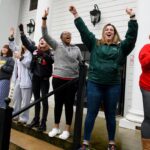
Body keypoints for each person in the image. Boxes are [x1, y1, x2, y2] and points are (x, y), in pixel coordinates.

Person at [69, 6, 138, 150]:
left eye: (111, 30)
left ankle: (111, 143)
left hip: (113, 85)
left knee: (110, 115)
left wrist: (132, 19)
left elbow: (131, 38)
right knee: (91, 114)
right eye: (107, 29)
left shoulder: (121, 47)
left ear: (114, 34)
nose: (109, 31)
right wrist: (76, 14)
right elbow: (84, 31)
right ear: (103, 32)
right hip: (95, 83)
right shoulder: (95, 44)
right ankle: (85, 142)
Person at [41, 8, 83, 140]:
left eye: (69, 34)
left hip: (72, 80)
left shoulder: (76, 48)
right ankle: (56, 127)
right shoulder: (57, 46)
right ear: (61, 37)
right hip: (58, 79)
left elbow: (81, 63)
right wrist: (44, 18)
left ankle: (67, 130)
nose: (68, 35)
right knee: (58, 103)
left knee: (69, 104)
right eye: (65, 34)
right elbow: (45, 34)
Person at [18, 24, 54, 132]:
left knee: (44, 101)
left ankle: (43, 123)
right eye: (40, 40)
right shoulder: (34, 50)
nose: (42, 40)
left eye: (44, 39)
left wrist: (42, 53)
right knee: (36, 100)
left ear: (47, 43)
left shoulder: (49, 52)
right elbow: (26, 43)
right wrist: (22, 32)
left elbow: (51, 61)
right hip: (36, 79)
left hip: (44, 80)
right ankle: (36, 120)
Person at [9, 27, 32, 124]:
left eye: (26, 43)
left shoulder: (30, 53)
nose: (23, 45)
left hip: (27, 80)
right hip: (18, 79)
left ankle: (24, 118)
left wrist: (21, 57)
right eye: (23, 43)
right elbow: (13, 47)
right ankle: (15, 114)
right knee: (16, 97)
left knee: (26, 101)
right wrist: (11, 37)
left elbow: (28, 64)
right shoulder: (19, 51)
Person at [139, 35, 150, 150]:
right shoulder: (146, 48)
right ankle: (147, 147)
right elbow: (145, 63)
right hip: (148, 86)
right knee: (149, 117)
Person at [0, 44, 14, 108]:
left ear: (9, 50)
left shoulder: (10, 59)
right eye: (3, 47)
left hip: (4, 80)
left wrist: (2, 67)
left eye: (6, 48)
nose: (4, 49)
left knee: (2, 96)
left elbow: (11, 69)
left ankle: (2, 114)